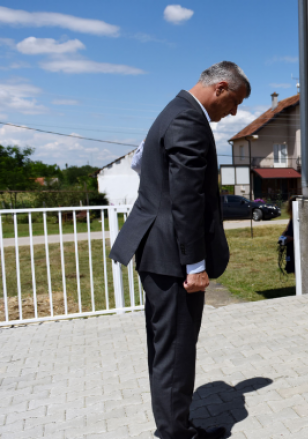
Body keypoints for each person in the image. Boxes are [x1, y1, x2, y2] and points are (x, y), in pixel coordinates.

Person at [109, 61, 251, 439]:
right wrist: (195, 264)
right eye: (234, 102)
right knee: (175, 351)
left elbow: (141, 161)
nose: (234, 112)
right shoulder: (188, 119)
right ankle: (175, 434)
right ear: (220, 88)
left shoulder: (171, 111)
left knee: (167, 348)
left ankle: (175, 426)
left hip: (159, 249)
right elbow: (187, 198)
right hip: (173, 258)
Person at [280, 195, 298, 273]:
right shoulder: (292, 218)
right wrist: (283, 235)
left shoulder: (299, 219)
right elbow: (287, 229)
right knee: (292, 265)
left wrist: (290, 239)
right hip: (290, 246)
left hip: (296, 247)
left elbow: (302, 236)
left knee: (296, 266)